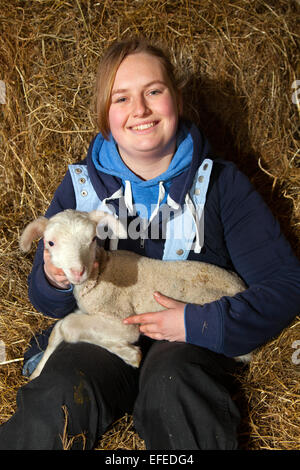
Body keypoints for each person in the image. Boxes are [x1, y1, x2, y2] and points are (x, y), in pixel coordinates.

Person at [1, 37, 300, 450]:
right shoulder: (81, 189)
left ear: (175, 99)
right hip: (105, 334)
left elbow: (286, 284)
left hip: (186, 344)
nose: (139, 110)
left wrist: (198, 323)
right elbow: (47, 299)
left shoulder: (220, 185)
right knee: (60, 391)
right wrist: (54, 278)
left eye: (153, 92)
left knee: (174, 386)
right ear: (104, 113)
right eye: (121, 98)